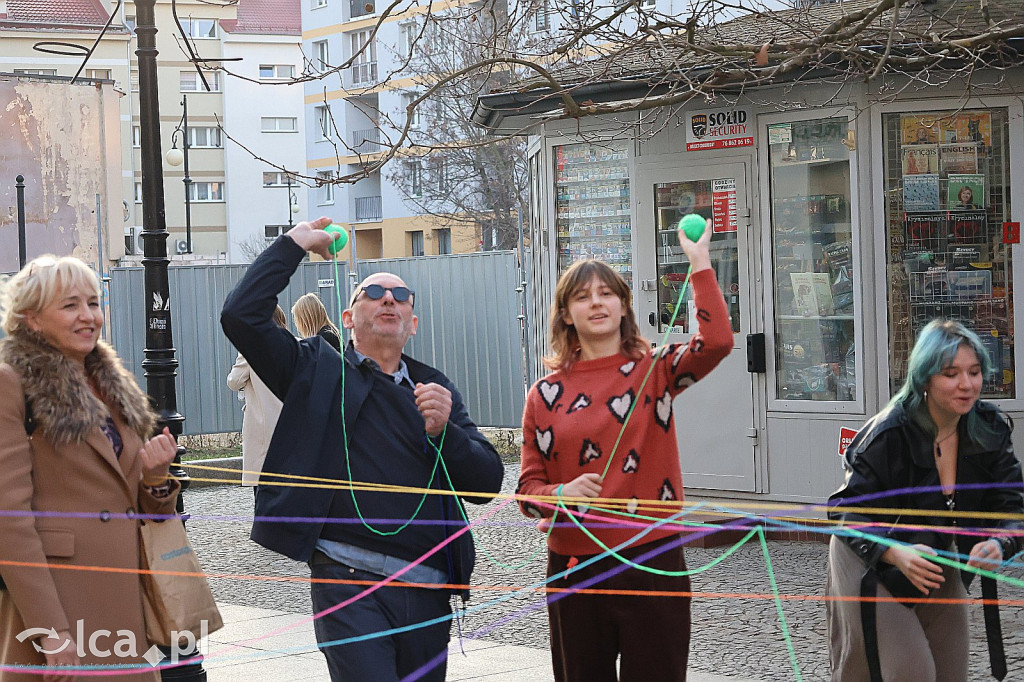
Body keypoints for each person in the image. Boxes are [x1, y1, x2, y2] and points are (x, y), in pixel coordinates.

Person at [220, 218, 504, 682]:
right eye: (372, 292)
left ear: (413, 324)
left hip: (428, 588)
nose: (388, 298)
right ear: (348, 318)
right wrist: (293, 245)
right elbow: (241, 315)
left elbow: (487, 483)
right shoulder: (314, 370)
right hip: (347, 579)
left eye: (400, 295)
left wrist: (444, 432)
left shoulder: (435, 387)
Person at [517, 220, 732, 682]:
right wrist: (561, 494)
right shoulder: (543, 394)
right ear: (565, 315)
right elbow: (527, 491)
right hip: (575, 566)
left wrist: (699, 263)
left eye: (606, 293)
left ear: (623, 306)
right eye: (581, 296)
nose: (596, 302)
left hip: (652, 558)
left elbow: (717, 343)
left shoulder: (654, 371)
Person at [0, 255, 179, 681]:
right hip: (59, 601)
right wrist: (51, 630)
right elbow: (9, 519)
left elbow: (139, 508)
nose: (89, 316)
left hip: (124, 597)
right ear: (32, 320)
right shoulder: (11, 382)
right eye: (70, 305)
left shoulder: (111, 384)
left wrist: (155, 477)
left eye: (94, 303)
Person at [827, 319, 1024, 682]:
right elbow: (844, 511)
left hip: (936, 557)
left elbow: (1013, 505)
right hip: (870, 558)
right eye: (951, 373)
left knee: (951, 673)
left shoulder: (990, 428)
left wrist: (1000, 542)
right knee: (910, 672)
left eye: (975, 371)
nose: (967, 384)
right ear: (925, 379)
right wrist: (893, 552)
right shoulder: (887, 433)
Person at [226, 305, 288, 488]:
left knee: (262, 487)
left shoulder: (251, 348)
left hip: (263, 425)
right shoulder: (295, 343)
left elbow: (233, 381)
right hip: (290, 422)